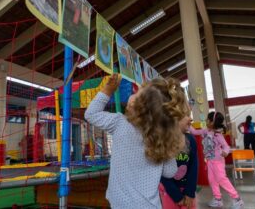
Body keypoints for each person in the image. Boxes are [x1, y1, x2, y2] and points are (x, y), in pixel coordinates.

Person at [85, 74, 189, 209]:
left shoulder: (119, 123)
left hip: (122, 205)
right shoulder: (162, 137)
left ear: (141, 105)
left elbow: (91, 114)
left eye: (136, 93)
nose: (132, 95)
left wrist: (108, 90)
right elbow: (170, 172)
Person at [190, 112, 244, 209]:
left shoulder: (217, 135)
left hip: (218, 161)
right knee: (212, 180)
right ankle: (218, 199)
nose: (206, 121)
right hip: (210, 161)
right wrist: (188, 124)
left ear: (212, 122)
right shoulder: (205, 131)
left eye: (207, 119)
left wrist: (225, 152)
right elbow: (194, 132)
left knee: (221, 179)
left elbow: (226, 146)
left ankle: (237, 199)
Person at [160, 115, 198, 209]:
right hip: (169, 191)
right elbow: (161, 172)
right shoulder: (163, 141)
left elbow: (194, 167)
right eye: (186, 115)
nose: (190, 119)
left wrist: (190, 192)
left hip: (187, 192)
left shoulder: (191, 140)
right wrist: (177, 196)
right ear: (175, 117)